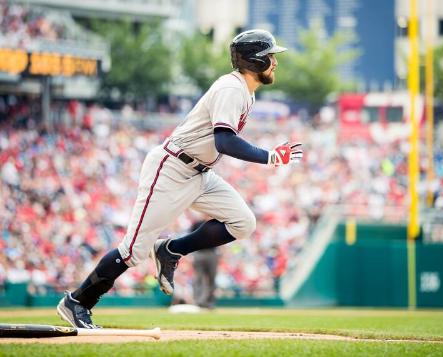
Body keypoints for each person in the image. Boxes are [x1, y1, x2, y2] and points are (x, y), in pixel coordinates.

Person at [56, 29, 303, 328]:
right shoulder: (232, 89)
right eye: (271, 56)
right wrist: (270, 156)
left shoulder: (243, 91)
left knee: (243, 222)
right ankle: (77, 301)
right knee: (132, 251)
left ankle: (171, 250)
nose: (275, 62)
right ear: (256, 60)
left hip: (199, 172)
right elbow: (224, 141)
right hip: (172, 169)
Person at [191, 220, 219, 309]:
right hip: (199, 252)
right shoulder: (197, 224)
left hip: (211, 252)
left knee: (211, 278)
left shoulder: (216, 223)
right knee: (198, 278)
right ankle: (198, 301)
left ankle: (209, 302)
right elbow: (190, 238)